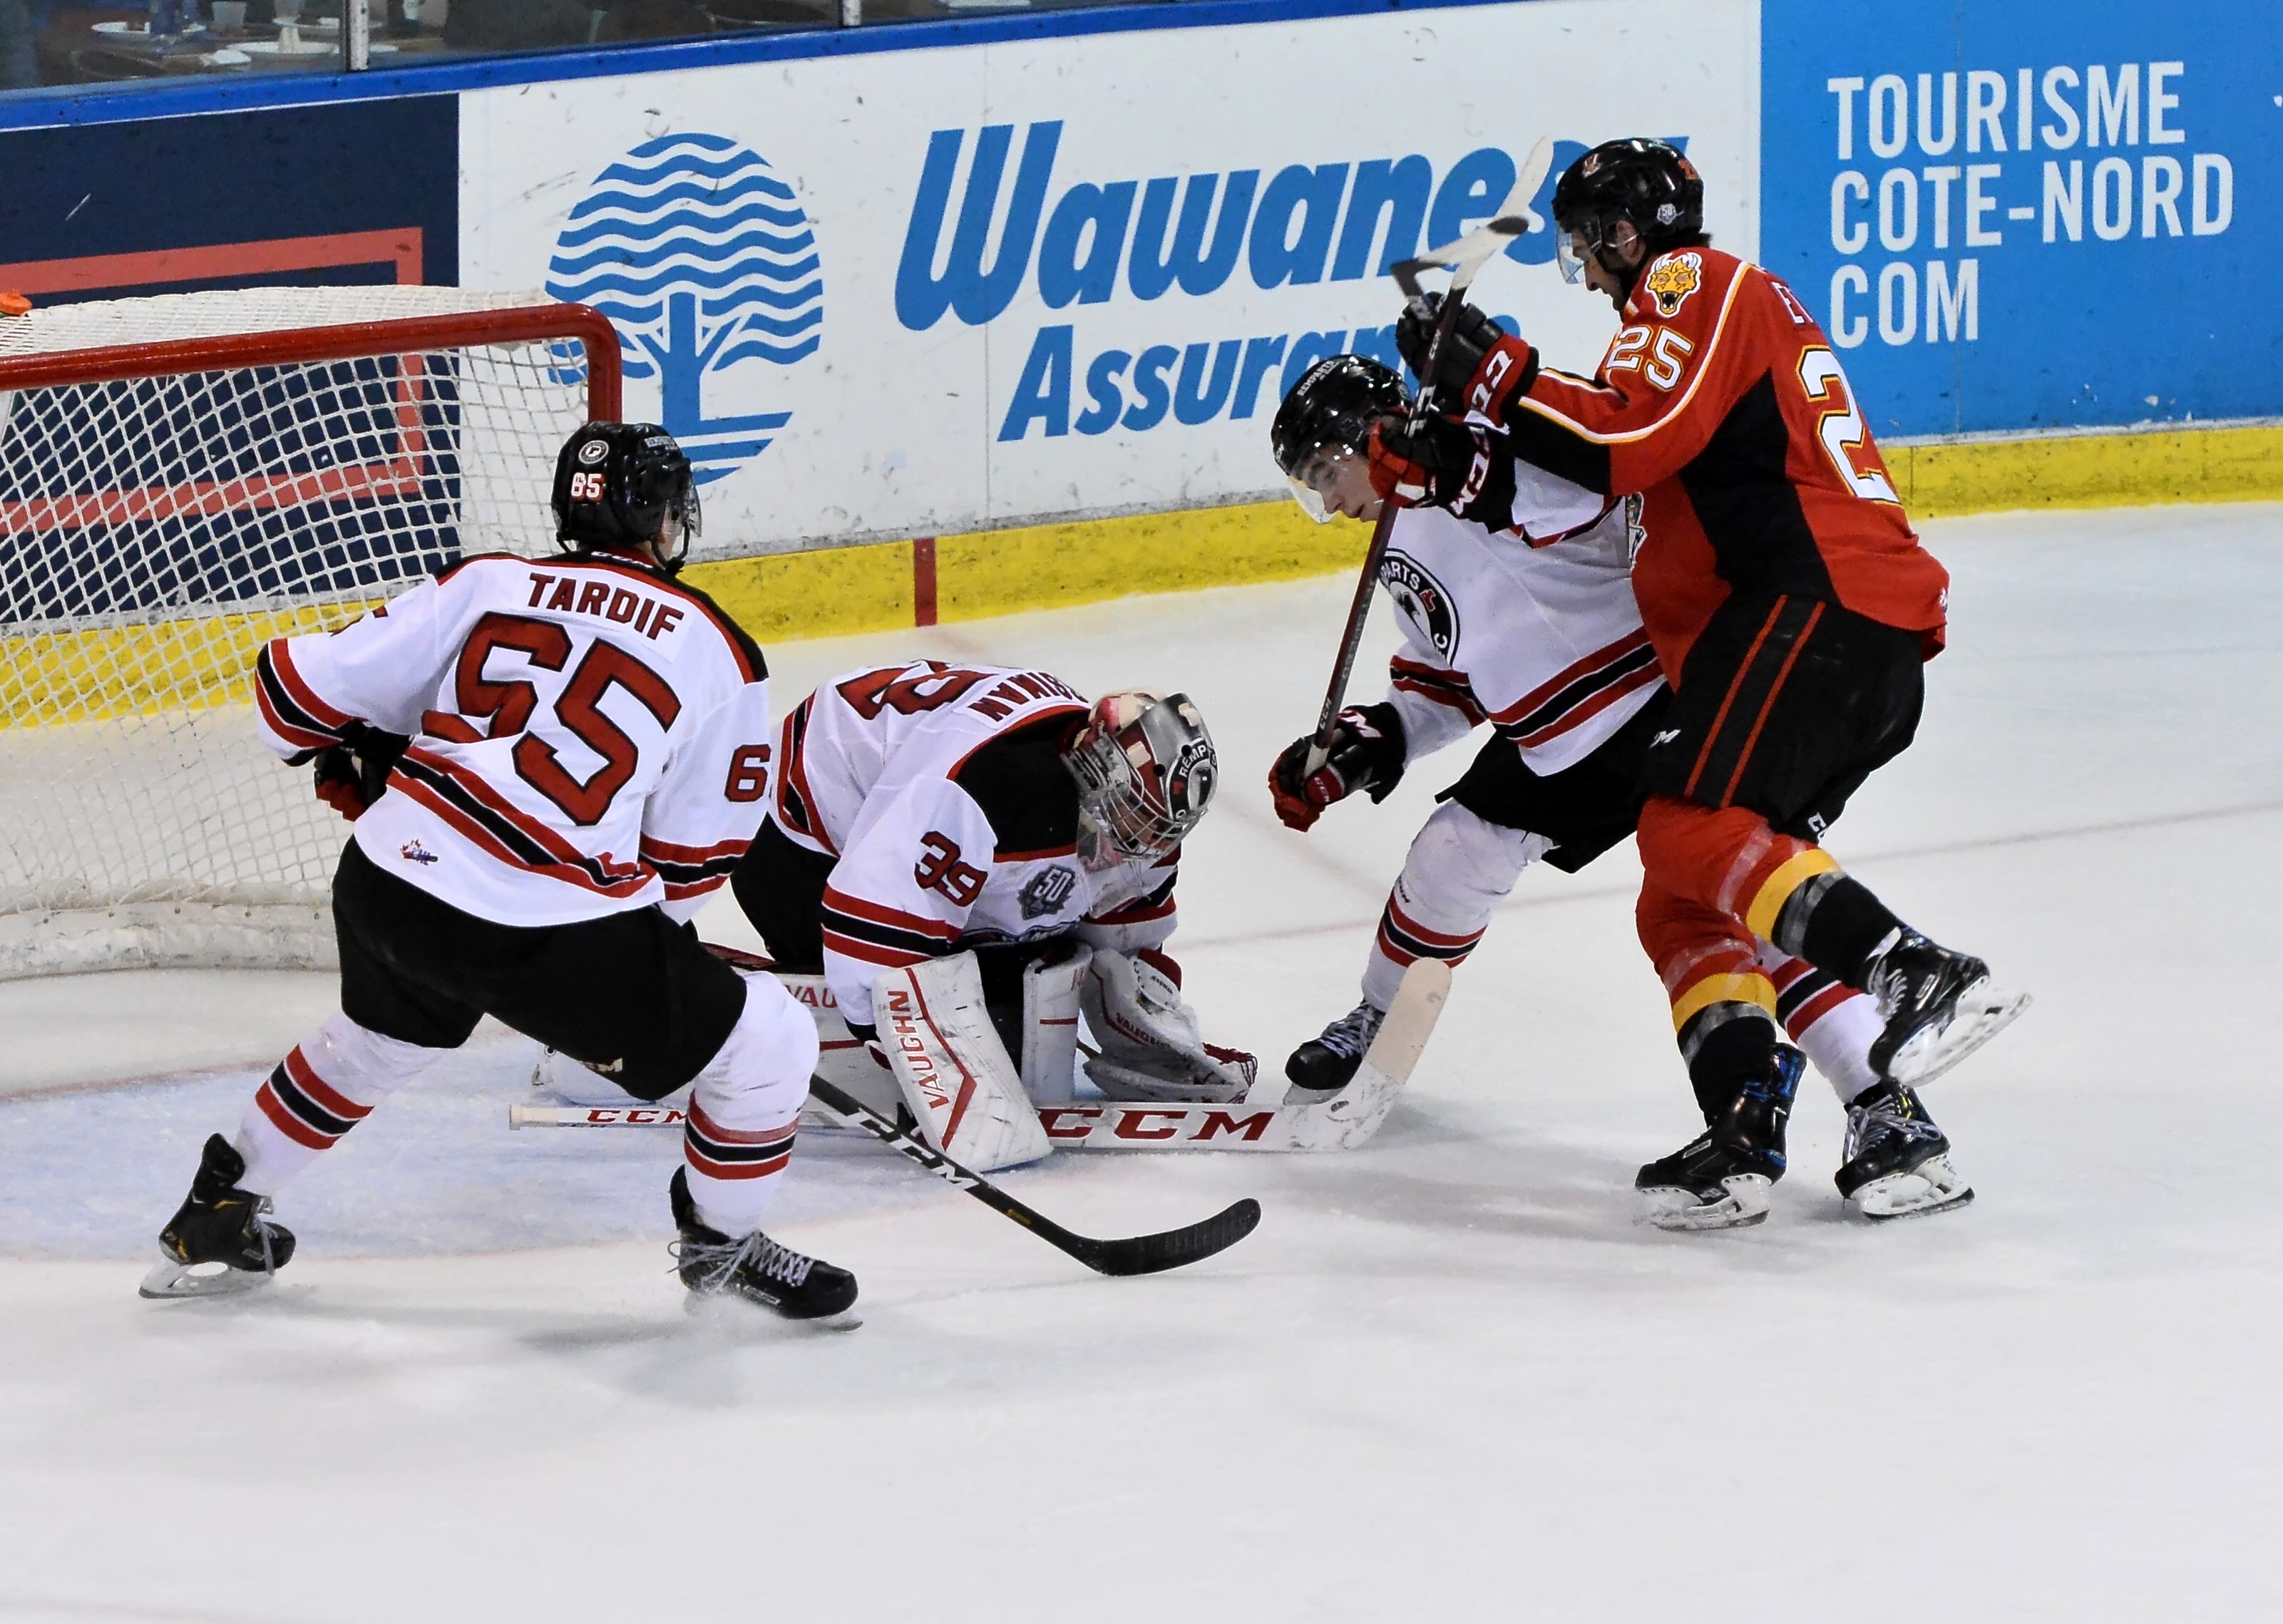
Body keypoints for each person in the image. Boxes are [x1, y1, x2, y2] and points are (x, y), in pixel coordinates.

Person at [1386, 138, 2027, 1221]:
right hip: (1829, 627)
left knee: (1691, 829)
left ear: (1621, 232)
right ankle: (1827, 1124)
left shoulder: (1693, 281)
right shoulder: (1668, 337)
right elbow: (1590, 467)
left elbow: (1626, 438)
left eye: (1585, 246)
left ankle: (1910, 967)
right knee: (1687, 889)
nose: (1584, 271)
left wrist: (1493, 370)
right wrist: (1460, 451)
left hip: (1812, 606)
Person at [143, 423, 855, 1322]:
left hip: (387, 882)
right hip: (538, 926)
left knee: (381, 1039)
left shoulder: (489, 581)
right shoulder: (720, 648)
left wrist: (351, 750)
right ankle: (721, 1246)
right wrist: (631, 954)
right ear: (664, 521)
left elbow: (288, 693)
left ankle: (220, 1207)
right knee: (770, 1042)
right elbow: (693, 857)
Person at [1268, 355, 1944, 1226]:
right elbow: (1447, 676)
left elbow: (1599, 486)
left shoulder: (1486, 448)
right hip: (1561, 739)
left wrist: (1456, 460)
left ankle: (1887, 1106)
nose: (1328, 502)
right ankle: (1378, 1016)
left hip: (1665, 691)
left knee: (1734, 898)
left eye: (1327, 472)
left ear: (1372, 436)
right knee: (1452, 853)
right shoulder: (1396, 545)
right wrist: (1371, 742)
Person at [727, 663, 1253, 1136]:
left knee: (1018, 1010)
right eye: (1135, 815)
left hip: (911, 802)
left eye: (1159, 827)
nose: (1144, 842)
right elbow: (869, 918)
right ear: (1098, 770)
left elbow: (1128, 930)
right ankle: (719, 1002)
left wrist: (1146, 1020)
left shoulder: (1133, 800)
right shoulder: (987, 789)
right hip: (791, 834)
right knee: (974, 1016)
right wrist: (912, 1063)